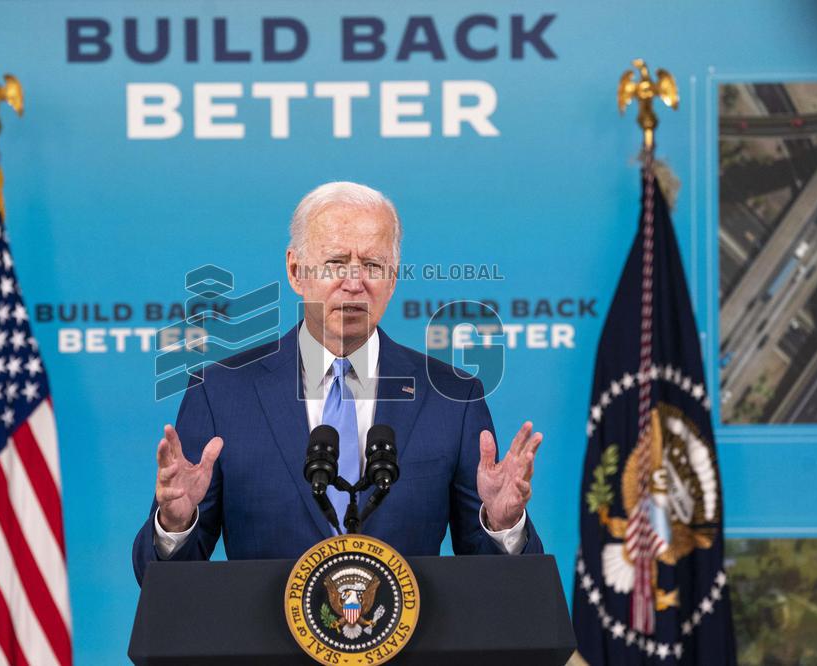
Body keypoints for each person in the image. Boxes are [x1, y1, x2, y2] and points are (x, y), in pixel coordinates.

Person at [132, 182, 544, 583]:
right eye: (334, 263)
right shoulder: (221, 392)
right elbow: (162, 581)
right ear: (296, 271)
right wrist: (176, 523)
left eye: (372, 265)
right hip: (266, 647)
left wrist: (501, 523)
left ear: (394, 278)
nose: (354, 281)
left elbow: (497, 580)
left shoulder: (452, 396)